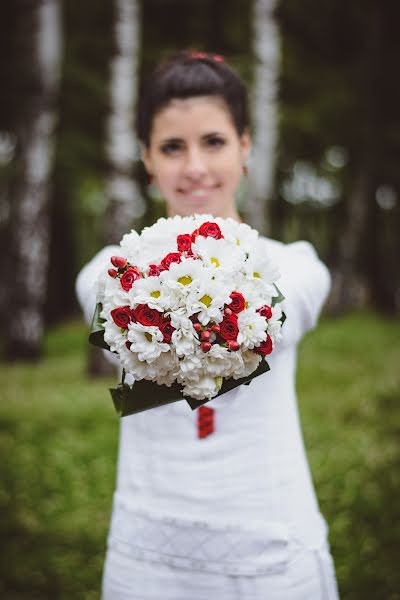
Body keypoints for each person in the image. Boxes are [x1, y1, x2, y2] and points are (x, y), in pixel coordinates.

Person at [76, 51, 339, 600]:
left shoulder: (295, 266)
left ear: (245, 147)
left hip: (269, 550)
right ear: (146, 158)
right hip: (147, 554)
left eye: (213, 142)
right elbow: (110, 337)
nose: (194, 166)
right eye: (172, 147)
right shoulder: (107, 272)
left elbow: (275, 324)